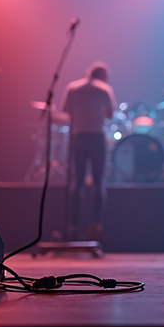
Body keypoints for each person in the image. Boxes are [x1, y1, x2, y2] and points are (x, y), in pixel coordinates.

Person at [61, 62, 116, 241]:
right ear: (103, 76)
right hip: (97, 137)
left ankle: (73, 227)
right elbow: (109, 114)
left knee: (77, 183)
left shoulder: (73, 87)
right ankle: (95, 226)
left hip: (78, 137)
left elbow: (66, 111)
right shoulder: (104, 88)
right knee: (99, 182)